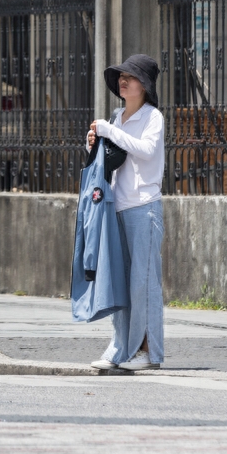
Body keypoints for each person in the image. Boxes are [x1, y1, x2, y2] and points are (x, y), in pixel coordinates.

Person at [83, 54, 165, 372]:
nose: (122, 81)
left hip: (144, 208)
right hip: (117, 206)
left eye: (129, 77)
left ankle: (147, 352)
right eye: (120, 77)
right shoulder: (118, 116)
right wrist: (94, 142)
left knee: (143, 284)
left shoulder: (152, 117)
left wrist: (109, 131)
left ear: (143, 85)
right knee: (120, 284)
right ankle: (119, 349)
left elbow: (145, 150)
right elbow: (114, 157)